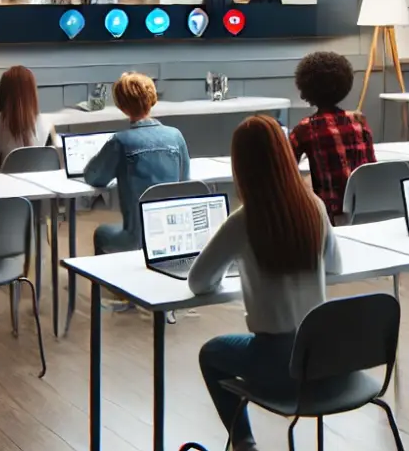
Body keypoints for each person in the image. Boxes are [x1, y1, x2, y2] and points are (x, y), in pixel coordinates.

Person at [189, 114, 342, 451]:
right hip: (324, 360)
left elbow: (199, 282)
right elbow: (335, 266)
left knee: (210, 353)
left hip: (277, 363)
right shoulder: (313, 208)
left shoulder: (242, 222)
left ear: (241, 167)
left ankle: (244, 442)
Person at [84, 72, 190, 256]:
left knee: (101, 234)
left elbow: (95, 178)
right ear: (152, 98)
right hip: (172, 235)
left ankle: (105, 284)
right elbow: (184, 182)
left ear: (122, 106)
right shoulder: (176, 136)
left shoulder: (120, 141)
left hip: (136, 239)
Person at [289, 51, 377, 222]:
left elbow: (285, 170)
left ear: (305, 89)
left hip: (330, 218)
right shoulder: (359, 121)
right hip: (366, 212)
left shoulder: (305, 129)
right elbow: (370, 167)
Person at [0, 65, 56, 171]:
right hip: (38, 183)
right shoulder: (47, 123)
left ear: (4, 93)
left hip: (7, 184)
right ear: (32, 92)